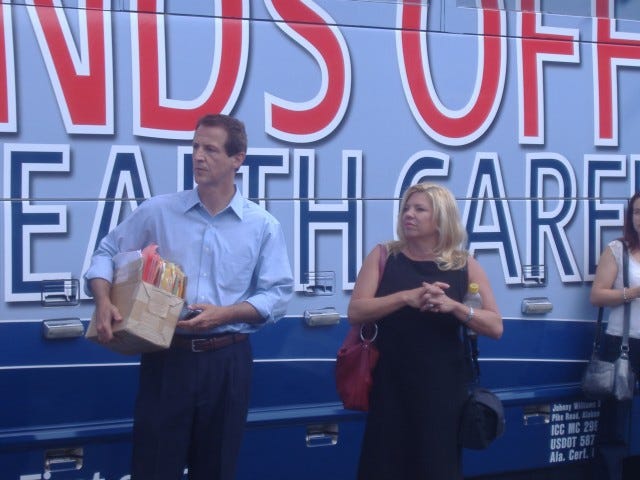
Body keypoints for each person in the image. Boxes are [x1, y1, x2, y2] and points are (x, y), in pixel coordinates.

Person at [84, 114, 294, 480]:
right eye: (195, 147)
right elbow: (104, 252)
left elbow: (277, 296)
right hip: (168, 357)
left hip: (228, 360)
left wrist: (224, 314)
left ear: (237, 159)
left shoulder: (262, 225)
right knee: (154, 467)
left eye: (210, 149)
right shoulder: (159, 211)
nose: (198, 156)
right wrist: (103, 300)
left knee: (216, 468)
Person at [347, 182, 503, 480]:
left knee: (435, 468)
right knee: (384, 466)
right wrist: (406, 298)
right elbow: (356, 312)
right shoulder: (383, 256)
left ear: (441, 218)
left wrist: (454, 307)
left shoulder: (463, 264)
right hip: (390, 386)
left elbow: (495, 326)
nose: (409, 215)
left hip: (443, 393)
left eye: (420, 209)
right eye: (406, 208)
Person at [590, 191, 640, 480]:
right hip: (623, 344)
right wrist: (632, 292)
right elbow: (596, 296)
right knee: (615, 425)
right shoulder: (617, 250)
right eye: (635, 211)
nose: (639, 218)